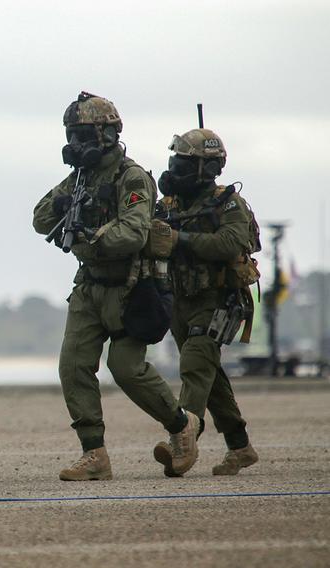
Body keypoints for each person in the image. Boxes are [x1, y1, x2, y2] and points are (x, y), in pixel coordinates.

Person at [33, 93, 200, 481]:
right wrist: (63, 208)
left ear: (107, 133)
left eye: (83, 135)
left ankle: (180, 425)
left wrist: (89, 238)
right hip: (90, 288)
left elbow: (132, 231)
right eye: (71, 136)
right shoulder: (79, 179)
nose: (76, 144)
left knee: (125, 368)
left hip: (131, 287)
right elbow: (41, 218)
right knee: (73, 366)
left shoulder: (133, 177)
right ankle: (94, 454)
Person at [149, 127, 260, 476]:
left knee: (196, 366)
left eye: (184, 161)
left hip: (216, 299)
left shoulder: (228, 202)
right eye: (176, 159)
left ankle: (182, 439)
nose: (175, 166)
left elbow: (230, 243)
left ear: (206, 168)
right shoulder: (169, 205)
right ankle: (240, 446)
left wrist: (179, 239)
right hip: (180, 299)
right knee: (209, 377)